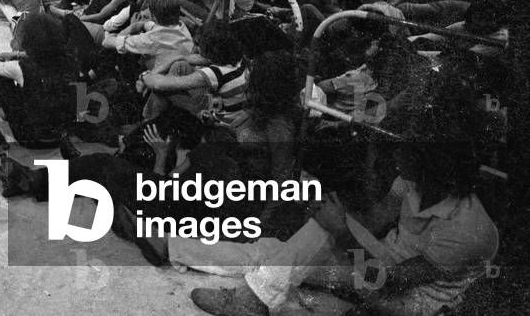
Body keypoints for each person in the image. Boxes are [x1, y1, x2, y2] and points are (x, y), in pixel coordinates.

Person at [184, 109, 498, 316]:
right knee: (288, 253)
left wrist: (339, 231)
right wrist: (327, 209)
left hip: (408, 301)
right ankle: (177, 248)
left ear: (432, 161)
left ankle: (252, 300)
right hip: (379, 265)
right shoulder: (414, 182)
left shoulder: (468, 229)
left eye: (404, 150)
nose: (395, 155)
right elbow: (373, 221)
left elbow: (390, 283)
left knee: (299, 252)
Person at [0, 13, 79, 147]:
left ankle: (0, 106)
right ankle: (0, 106)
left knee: (1, 71)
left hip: (30, 137)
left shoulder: (21, 68)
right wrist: (17, 54)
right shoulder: (70, 59)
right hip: (64, 133)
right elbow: (46, 52)